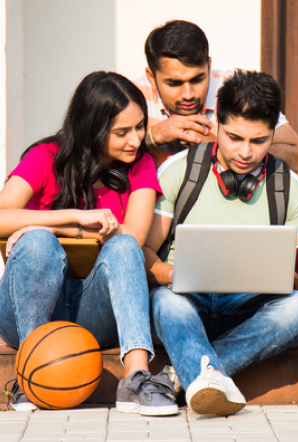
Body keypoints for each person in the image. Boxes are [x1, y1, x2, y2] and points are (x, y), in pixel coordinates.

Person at [0, 72, 178, 415]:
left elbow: (134, 236)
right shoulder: (45, 155)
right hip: (28, 310)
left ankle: (137, 378)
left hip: (92, 310)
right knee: (37, 243)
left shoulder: (140, 165)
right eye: (122, 132)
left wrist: (55, 226)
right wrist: (71, 219)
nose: (136, 140)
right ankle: (29, 375)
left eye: (140, 127)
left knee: (126, 248)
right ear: (91, 128)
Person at [143, 69, 298, 416]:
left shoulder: (289, 187)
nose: (245, 152)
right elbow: (144, 252)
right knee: (166, 302)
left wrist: (279, 275)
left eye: (259, 141)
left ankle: (180, 377)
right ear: (216, 125)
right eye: (234, 137)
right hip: (185, 303)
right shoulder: (180, 172)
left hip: (249, 311)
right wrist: (168, 274)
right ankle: (206, 377)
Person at [135, 20, 298, 182]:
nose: (188, 94)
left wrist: (218, 149)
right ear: (151, 77)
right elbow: (107, 160)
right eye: (174, 83)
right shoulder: (132, 98)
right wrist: (155, 135)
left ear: (209, 65)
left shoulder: (236, 90)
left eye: (198, 79)